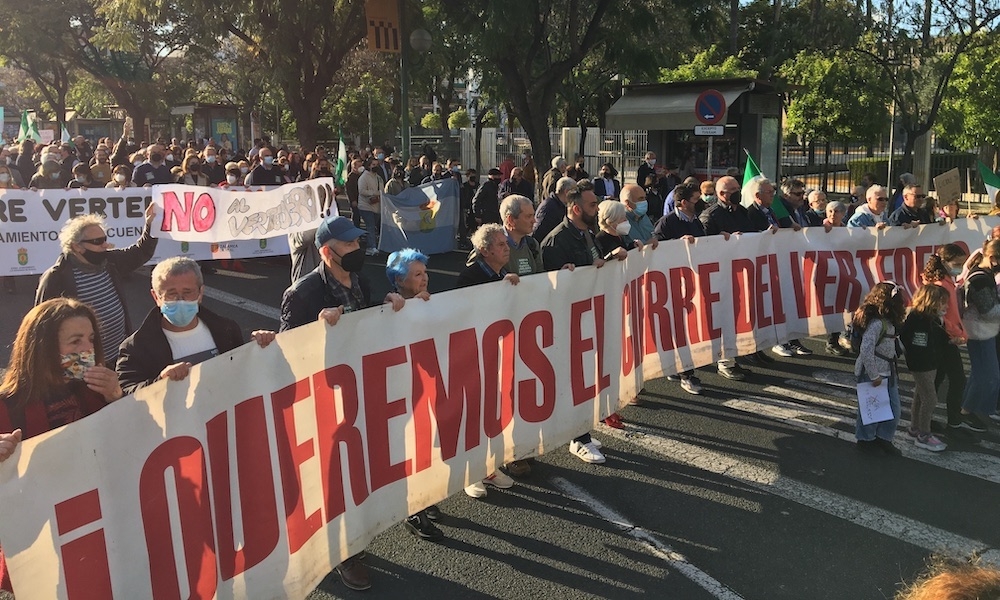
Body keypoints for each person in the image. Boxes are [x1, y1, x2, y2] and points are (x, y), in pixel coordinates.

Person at [0, 298, 124, 592]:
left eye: (91, 339)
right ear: (43, 348)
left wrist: (118, 399)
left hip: (97, 523)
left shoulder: (96, 389)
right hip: (43, 537)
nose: (87, 349)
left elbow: (130, 443)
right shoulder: (8, 405)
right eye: (75, 341)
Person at [116, 257, 275, 394]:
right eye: (171, 293)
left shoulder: (227, 330)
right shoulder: (135, 347)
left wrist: (259, 348)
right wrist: (160, 382)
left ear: (200, 293)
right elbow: (125, 394)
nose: (180, 300)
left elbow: (242, 373)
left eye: (187, 292)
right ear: (156, 296)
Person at [35, 205, 158, 364]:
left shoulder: (110, 262)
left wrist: (150, 225)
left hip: (118, 355)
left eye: (104, 239)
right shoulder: (56, 277)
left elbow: (141, 252)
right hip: (84, 363)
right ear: (77, 246)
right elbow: (43, 327)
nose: (105, 245)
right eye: (97, 241)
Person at [540, 183, 607, 464]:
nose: (597, 209)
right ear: (577, 209)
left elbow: (593, 264)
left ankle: (581, 430)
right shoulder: (557, 241)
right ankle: (578, 438)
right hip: (566, 323)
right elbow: (550, 288)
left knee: (585, 377)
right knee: (571, 380)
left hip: (585, 318)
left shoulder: (586, 234)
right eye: (592, 205)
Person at [852, 281, 906, 456]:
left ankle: (883, 437)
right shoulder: (877, 324)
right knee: (871, 410)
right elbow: (866, 349)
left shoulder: (888, 323)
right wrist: (874, 374)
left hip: (887, 371)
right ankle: (866, 440)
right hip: (873, 372)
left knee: (894, 409)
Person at [922, 245, 969, 431]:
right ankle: (953, 421)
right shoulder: (940, 285)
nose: (959, 267)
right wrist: (957, 333)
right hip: (944, 339)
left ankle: (927, 419)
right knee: (957, 380)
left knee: (938, 379)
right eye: (956, 264)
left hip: (947, 338)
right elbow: (939, 317)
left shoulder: (947, 281)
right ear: (944, 262)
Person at [899, 284, 950, 452]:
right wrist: (916, 355)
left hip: (930, 362)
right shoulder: (919, 318)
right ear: (931, 301)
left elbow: (936, 339)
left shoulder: (932, 318)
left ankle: (914, 429)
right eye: (943, 302)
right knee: (930, 399)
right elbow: (911, 340)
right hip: (921, 364)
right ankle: (924, 434)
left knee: (920, 396)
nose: (946, 306)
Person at [957, 240, 1000, 432]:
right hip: (979, 330)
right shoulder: (979, 279)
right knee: (988, 375)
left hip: (982, 329)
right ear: (992, 258)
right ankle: (967, 411)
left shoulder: (983, 274)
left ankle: (965, 409)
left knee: (979, 373)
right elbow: (987, 310)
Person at [532, 176, 577, 243]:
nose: (575, 197)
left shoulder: (561, 206)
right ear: (567, 192)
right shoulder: (549, 207)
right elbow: (538, 234)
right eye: (574, 192)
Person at [357, 156, 384, 255]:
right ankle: (371, 247)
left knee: (373, 227)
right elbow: (362, 191)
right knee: (370, 226)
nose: (375, 166)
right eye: (373, 164)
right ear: (368, 166)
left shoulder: (379, 178)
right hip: (365, 206)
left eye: (377, 165)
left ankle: (371, 245)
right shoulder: (363, 177)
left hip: (377, 206)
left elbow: (382, 191)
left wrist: (379, 195)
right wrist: (374, 193)